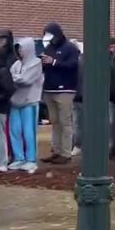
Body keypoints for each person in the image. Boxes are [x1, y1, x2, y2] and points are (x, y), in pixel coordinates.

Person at [39, 22, 80, 164]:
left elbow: (74, 65)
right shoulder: (49, 47)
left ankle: (66, 152)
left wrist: (54, 62)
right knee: (55, 121)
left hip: (65, 89)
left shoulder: (70, 48)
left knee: (65, 121)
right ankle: (56, 150)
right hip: (50, 88)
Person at [9, 37, 44, 172]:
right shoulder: (16, 64)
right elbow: (10, 76)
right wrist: (16, 77)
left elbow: (26, 80)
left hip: (30, 102)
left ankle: (31, 160)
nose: (20, 51)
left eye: (21, 48)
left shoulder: (36, 63)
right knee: (15, 131)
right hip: (14, 101)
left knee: (29, 131)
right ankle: (19, 158)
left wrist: (15, 78)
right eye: (18, 48)